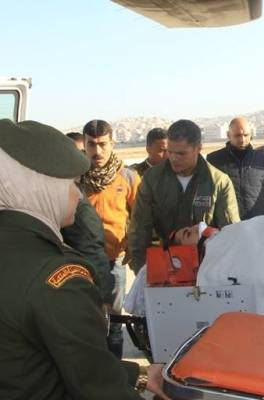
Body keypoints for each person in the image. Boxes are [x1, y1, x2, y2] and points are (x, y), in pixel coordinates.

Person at [0, 119, 168, 399]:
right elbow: (97, 386)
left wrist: (135, 375)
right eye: (71, 184)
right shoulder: (57, 278)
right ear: (40, 187)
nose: (78, 196)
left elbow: (43, 356)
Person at [128, 119, 240, 273]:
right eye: (170, 152)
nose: (173, 158)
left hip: (206, 269)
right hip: (166, 268)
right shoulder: (152, 179)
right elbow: (139, 231)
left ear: (198, 148)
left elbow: (230, 234)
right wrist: (143, 272)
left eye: (181, 153)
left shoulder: (218, 182)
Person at [81, 119, 141, 359]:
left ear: (112, 144)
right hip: (81, 262)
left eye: (103, 144)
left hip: (114, 261)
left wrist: (132, 247)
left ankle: (115, 372)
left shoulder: (128, 177)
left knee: (114, 324)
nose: (97, 151)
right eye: (91, 144)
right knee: (85, 322)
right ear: (84, 145)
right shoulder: (75, 177)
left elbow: (140, 217)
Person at [207, 117, 264, 220]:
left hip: (257, 222)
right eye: (237, 135)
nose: (242, 139)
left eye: (246, 135)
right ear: (228, 135)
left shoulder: (262, 158)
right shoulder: (214, 160)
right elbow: (208, 196)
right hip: (228, 224)